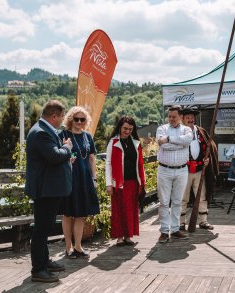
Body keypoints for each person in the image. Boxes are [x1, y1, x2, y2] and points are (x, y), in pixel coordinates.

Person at [25, 100, 73, 283]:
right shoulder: (41, 133)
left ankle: (44, 262)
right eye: (61, 117)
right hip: (45, 190)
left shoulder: (42, 130)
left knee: (44, 227)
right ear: (54, 116)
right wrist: (67, 148)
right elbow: (54, 156)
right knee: (41, 229)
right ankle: (38, 269)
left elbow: (51, 158)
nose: (62, 120)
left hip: (48, 188)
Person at [58, 106, 99, 258]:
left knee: (81, 214)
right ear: (70, 119)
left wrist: (94, 178)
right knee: (68, 214)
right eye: (76, 119)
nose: (79, 122)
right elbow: (57, 155)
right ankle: (68, 247)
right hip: (69, 179)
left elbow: (92, 158)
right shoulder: (63, 134)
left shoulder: (87, 136)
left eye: (82, 119)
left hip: (85, 179)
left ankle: (78, 247)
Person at [105, 116, 145, 246]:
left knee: (131, 210)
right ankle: (119, 237)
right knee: (119, 210)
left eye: (130, 129)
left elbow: (140, 165)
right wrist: (109, 184)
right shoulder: (113, 142)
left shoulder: (136, 143)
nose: (127, 131)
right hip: (119, 183)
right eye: (125, 128)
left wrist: (142, 183)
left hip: (133, 182)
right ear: (120, 127)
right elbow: (108, 163)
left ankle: (128, 236)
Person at [156, 105, 193, 243]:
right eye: (169, 116)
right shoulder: (162, 128)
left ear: (181, 117)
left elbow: (187, 140)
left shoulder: (187, 129)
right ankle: (164, 231)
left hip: (182, 169)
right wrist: (180, 143)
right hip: (164, 169)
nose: (171, 119)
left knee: (177, 201)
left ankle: (175, 229)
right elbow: (162, 145)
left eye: (174, 117)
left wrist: (169, 139)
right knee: (164, 202)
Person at [180, 107, 219, 231]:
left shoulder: (200, 131)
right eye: (188, 118)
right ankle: (181, 223)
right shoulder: (179, 132)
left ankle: (203, 221)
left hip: (199, 170)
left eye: (192, 118)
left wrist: (207, 159)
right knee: (183, 197)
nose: (190, 120)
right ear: (182, 119)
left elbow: (210, 146)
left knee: (201, 196)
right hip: (184, 170)